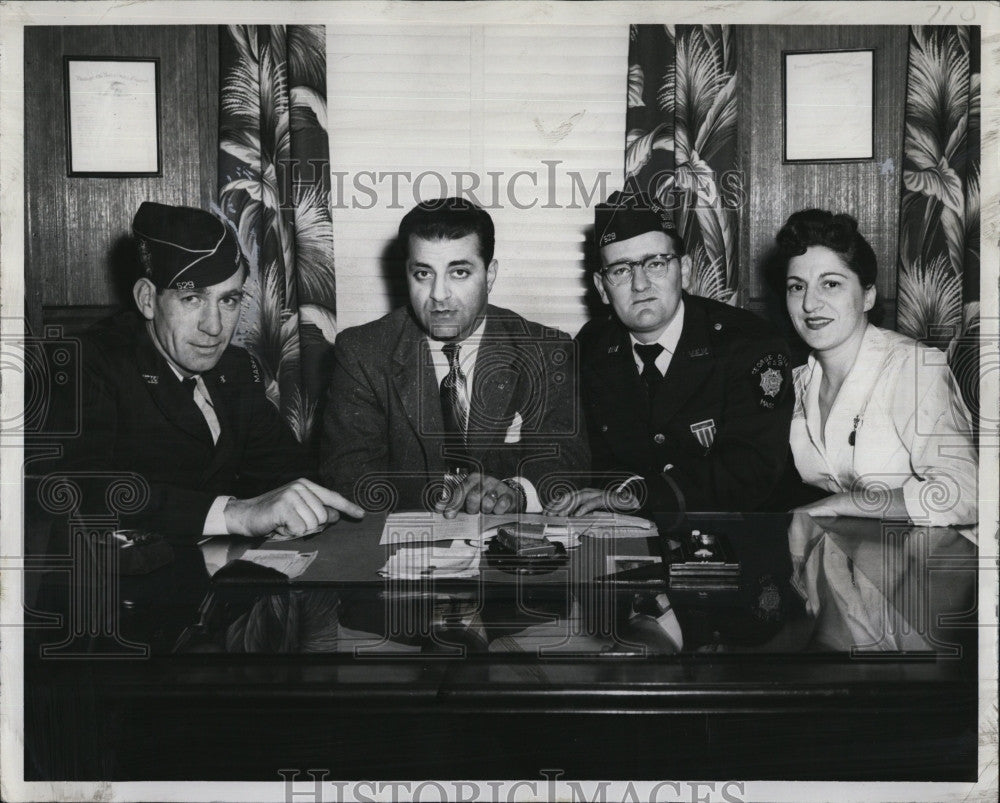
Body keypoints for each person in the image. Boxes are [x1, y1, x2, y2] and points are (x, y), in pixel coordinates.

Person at [53, 202, 363, 540]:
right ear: (146, 298)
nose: (214, 328)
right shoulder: (85, 363)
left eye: (228, 300)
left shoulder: (238, 368)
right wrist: (235, 515)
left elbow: (286, 470)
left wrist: (311, 504)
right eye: (192, 299)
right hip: (111, 584)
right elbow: (80, 491)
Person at [321, 198, 589, 515]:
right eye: (423, 273)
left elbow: (567, 463)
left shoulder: (545, 350)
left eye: (459, 272)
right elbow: (349, 479)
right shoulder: (362, 352)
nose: (438, 295)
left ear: (489, 275)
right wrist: (447, 503)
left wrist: (513, 492)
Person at [548, 191, 794, 516]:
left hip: (739, 533)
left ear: (686, 270)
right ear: (601, 287)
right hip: (629, 535)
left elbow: (752, 468)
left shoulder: (749, 344)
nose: (640, 284)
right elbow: (586, 457)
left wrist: (642, 495)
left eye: (655, 264)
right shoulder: (592, 348)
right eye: (620, 270)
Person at [767, 209, 977, 526]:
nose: (810, 304)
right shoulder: (798, 382)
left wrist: (840, 504)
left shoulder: (914, 369)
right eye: (797, 287)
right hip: (849, 555)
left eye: (831, 284)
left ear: (868, 297)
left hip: (924, 558)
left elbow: (966, 494)